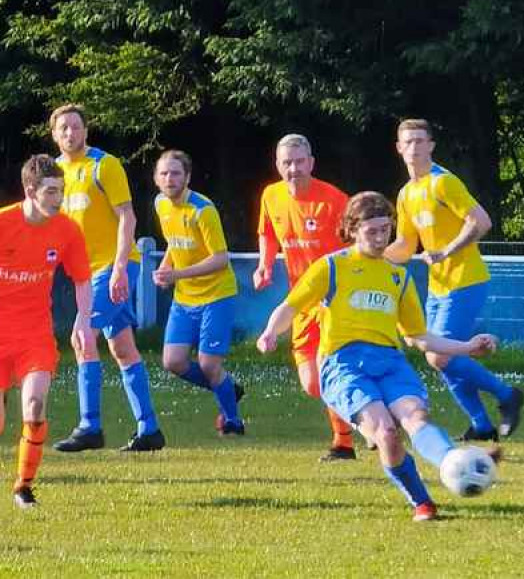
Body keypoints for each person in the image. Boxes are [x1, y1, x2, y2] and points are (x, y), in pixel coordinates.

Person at [256, 192, 500, 521]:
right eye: (372, 230)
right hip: (343, 366)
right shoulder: (332, 266)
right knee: (386, 433)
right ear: (353, 229)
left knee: (416, 417)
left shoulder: (398, 277)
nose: (380, 236)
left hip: (390, 362)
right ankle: (422, 502)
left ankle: (450, 463)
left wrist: (468, 347)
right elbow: (291, 306)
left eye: (385, 229)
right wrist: (271, 331)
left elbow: (418, 336)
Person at [0, 155, 94, 508]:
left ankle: (23, 487)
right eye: (51, 191)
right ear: (31, 190)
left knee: (35, 405)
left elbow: (83, 278)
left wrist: (83, 320)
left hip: (34, 334)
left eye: (61, 191)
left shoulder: (67, 230)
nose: (58, 199)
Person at [384, 119, 524, 442]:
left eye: (421, 141)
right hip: (439, 286)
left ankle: (507, 395)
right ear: (399, 148)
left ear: (431, 145)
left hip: (466, 280)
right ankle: (482, 425)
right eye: (408, 141)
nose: (415, 147)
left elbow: (482, 221)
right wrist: (367, 256)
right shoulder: (406, 194)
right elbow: (405, 246)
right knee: (442, 356)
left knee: (439, 354)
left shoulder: (442, 183)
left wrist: (446, 250)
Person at [49, 104, 164, 452]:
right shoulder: (53, 172)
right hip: (85, 273)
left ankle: (90, 426)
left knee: (82, 337)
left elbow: (127, 217)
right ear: (54, 134)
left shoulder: (104, 165)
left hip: (113, 267)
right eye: (63, 128)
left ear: (86, 131)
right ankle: (149, 430)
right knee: (123, 348)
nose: (70, 133)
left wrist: (118, 268)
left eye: (75, 126)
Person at [253, 134, 356, 461]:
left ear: (311, 163)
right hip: (301, 301)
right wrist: (265, 266)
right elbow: (267, 232)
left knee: (331, 369)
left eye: (299, 162)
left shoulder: (335, 200)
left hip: (335, 301)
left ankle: (344, 442)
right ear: (278, 165)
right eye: (287, 162)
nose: (293, 169)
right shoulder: (271, 195)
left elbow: (359, 244)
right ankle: (367, 414)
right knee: (312, 383)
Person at [152, 150, 244, 435]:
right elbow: (174, 242)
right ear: (156, 178)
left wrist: (177, 274)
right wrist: (166, 268)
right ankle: (227, 387)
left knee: (208, 364)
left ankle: (233, 422)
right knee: (173, 362)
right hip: (185, 298)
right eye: (164, 173)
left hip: (216, 295)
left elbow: (220, 258)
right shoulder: (160, 204)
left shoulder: (203, 210)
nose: (170, 178)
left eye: (176, 173)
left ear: (187, 177)